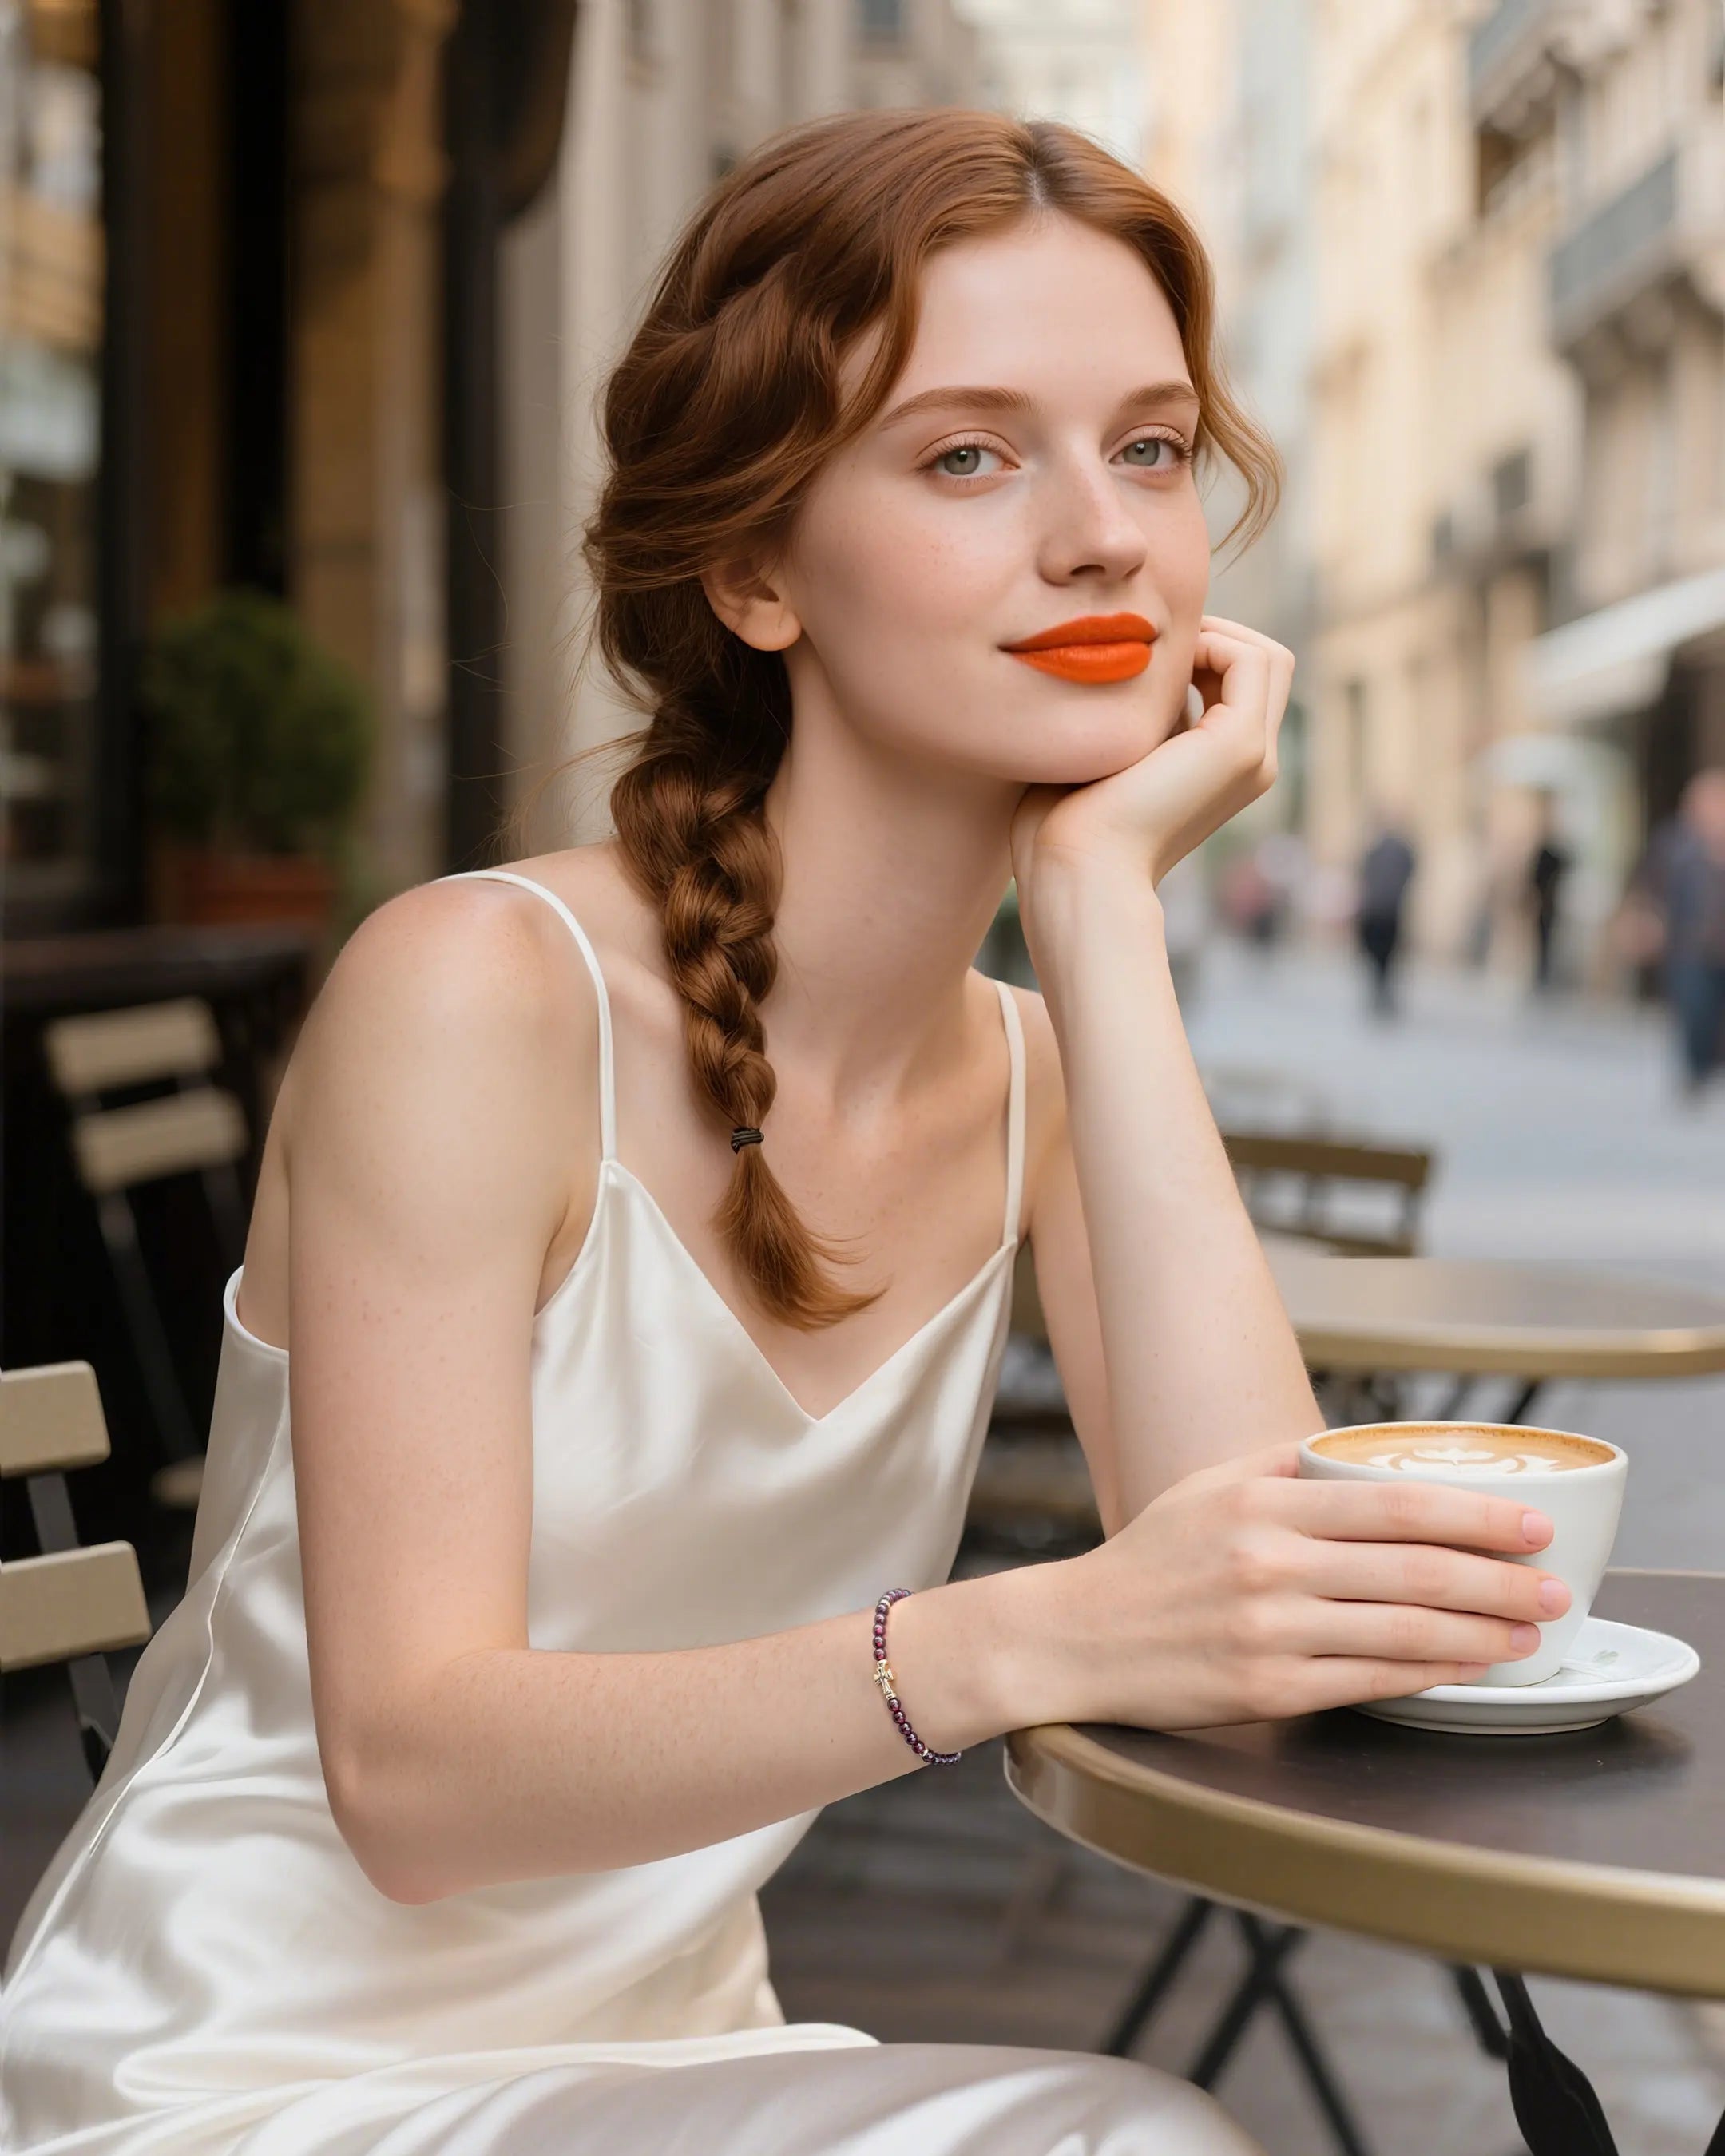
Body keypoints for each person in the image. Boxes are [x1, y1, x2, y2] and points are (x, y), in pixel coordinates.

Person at [2, 111, 1567, 2156]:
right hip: (239, 2073)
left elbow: (1248, 1622)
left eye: (1154, 446)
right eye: (967, 454)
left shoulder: (1033, 1058)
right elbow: (411, 1776)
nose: (1100, 534)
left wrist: (1101, 914)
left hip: (672, 2065)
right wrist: (1025, 1631)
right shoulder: (476, 992)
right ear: (752, 570)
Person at [1639, 767, 1725, 1094]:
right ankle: (1696, 1069)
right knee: (1695, 1008)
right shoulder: (1675, 843)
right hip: (1689, 945)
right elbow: (1651, 885)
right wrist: (1647, 920)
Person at [1355, 816, 1417, 1015]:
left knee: (1380, 955)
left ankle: (1381, 990)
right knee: (1385, 956)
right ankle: (1382, 990)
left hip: (1379, 909)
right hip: (1389, 909)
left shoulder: (1375, 851)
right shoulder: (1398, 852)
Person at [1525, 796, 1570, 994]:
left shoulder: (1552, 853)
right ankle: (1541, 972)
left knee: (1548, 939)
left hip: (1551, 903)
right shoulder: (1544, 852)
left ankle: (1545, 972)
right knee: (1541, 939)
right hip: (1544, 903)